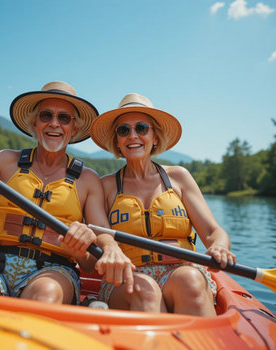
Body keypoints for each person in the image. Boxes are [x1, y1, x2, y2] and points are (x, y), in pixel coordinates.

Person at [0, 81, 133, 305]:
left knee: (45, 293)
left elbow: (93, 259)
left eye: (64, 118)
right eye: (46, 116)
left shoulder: (87, 180)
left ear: (73, 129)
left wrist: (100, 247)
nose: (54, 123)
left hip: (55, 271)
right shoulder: (4, 161)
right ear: (34, 123)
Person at [90, 93, 236, 316]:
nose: (132, 136)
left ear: (155, 137)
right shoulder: (106, 185)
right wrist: (109, 248)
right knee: (144, 291)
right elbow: (101, 235)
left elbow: (212, 231)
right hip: (129, 277)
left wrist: (220, 247)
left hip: (181, 270)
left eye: (141, 128)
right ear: (117, 141)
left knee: (190, 280)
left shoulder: (179, 177)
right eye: (123, 130)